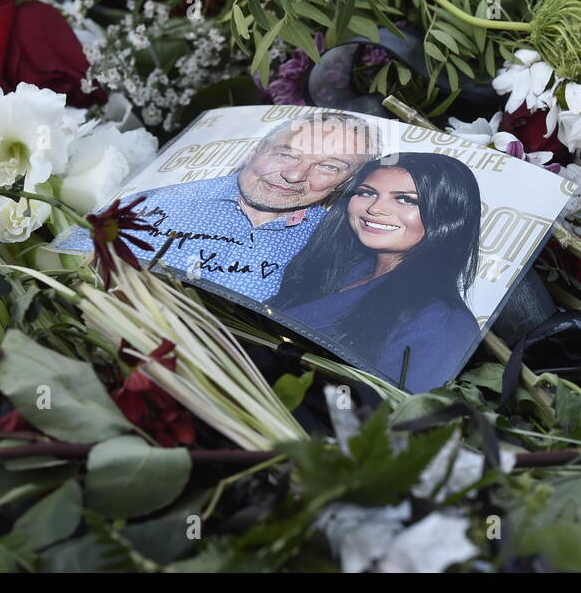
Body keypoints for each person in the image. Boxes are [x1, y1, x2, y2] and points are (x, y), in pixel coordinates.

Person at [267, 152, 482, 392]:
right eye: (366, 193)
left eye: (407, 200)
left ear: (448, 216)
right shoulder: (326, 273)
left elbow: (380, 421)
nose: (375, 208)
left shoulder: (446, 324)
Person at [120, 111, 380, 301]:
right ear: (253, 152)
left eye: (329, 167)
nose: (294, 175)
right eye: (286, 154)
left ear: (346, 183)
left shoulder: (339, 250)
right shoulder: (150, 203)